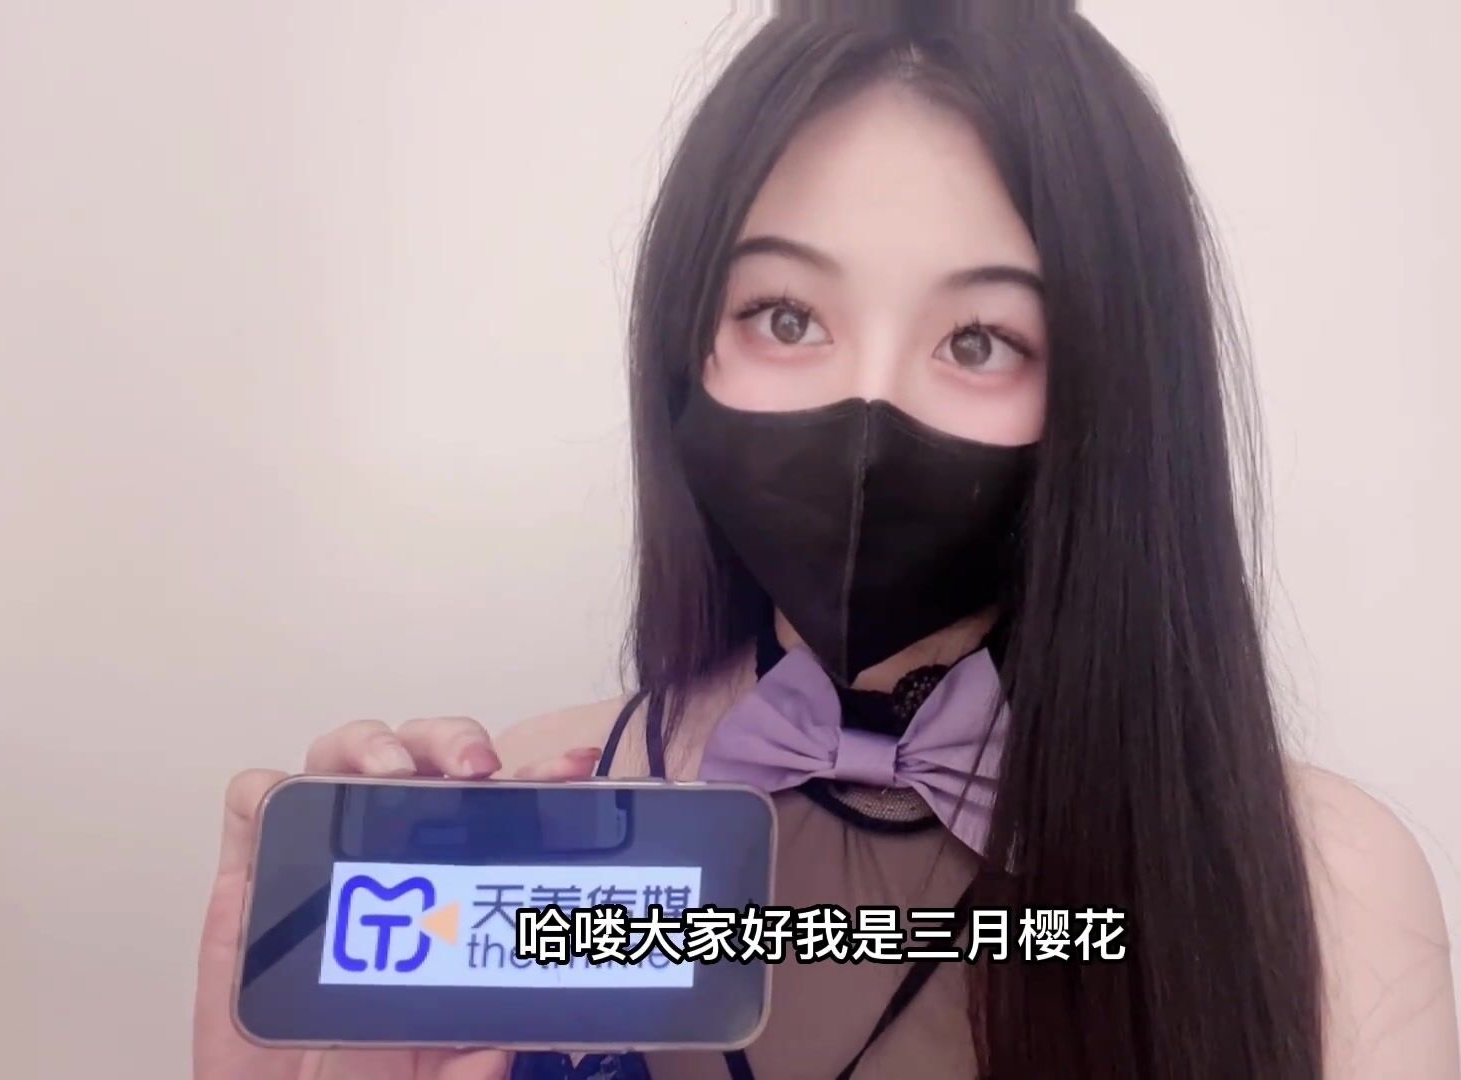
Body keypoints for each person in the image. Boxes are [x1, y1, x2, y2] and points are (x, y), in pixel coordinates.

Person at [192, 2, 1460, 1078]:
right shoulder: (538, 811)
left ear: (1110, 395)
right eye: (788, 316)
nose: (867, 416)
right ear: (686, 348)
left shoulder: (1326, 888)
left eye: (978, 340)